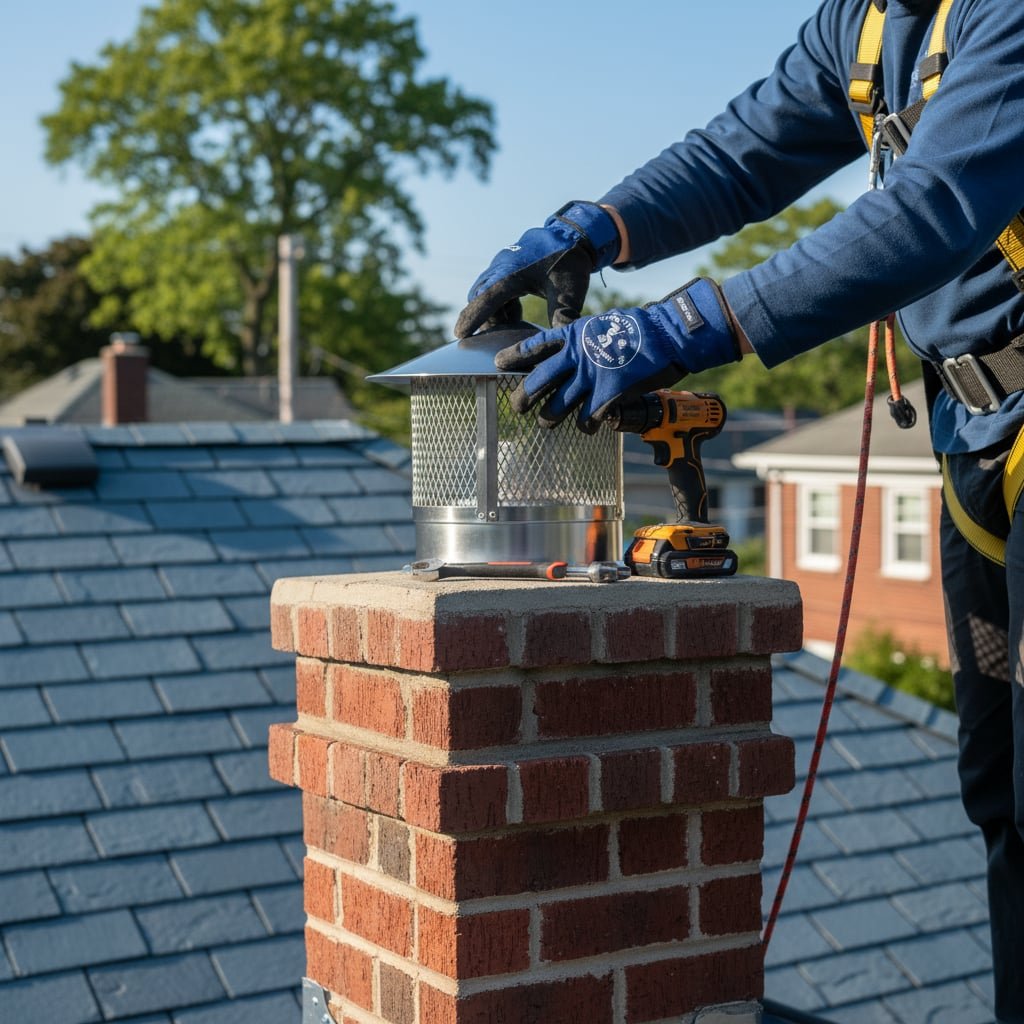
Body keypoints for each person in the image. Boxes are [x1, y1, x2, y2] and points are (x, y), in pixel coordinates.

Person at [454, 1, 1024, 1021]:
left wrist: (686, 323)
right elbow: (741, 153)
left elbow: (932, 206)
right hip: (975, 438)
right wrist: (597, 229)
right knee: (1002, 792)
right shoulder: (864, 22)